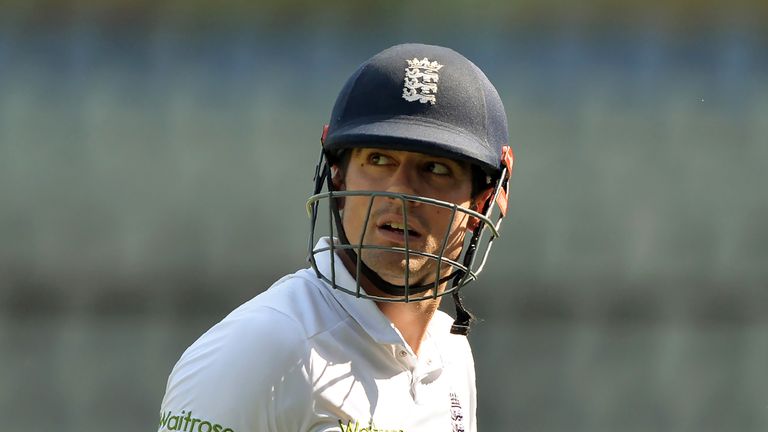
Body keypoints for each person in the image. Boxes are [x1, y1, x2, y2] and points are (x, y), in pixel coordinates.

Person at [157, 43, 514, 432]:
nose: (400, 193)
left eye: (435, 168)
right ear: (338, 175)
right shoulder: (260, 346)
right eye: (378, 160)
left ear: (483, 201)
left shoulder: (450, 352)